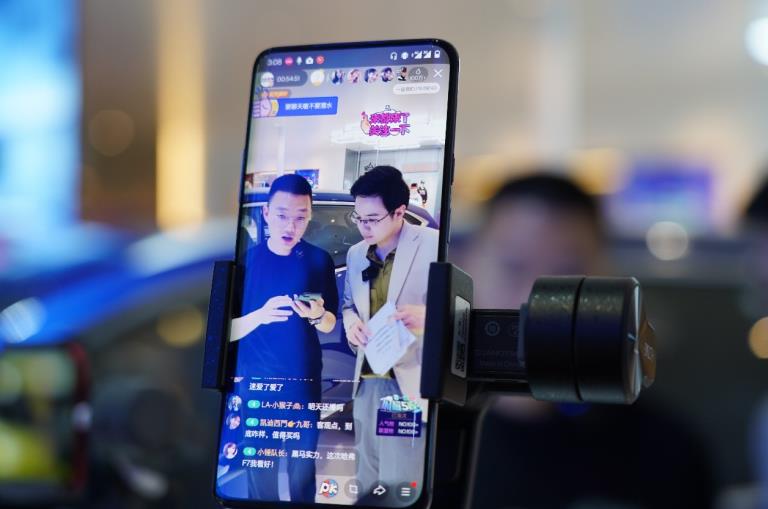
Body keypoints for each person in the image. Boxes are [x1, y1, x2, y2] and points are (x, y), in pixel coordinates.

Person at [454, 173, 714, 509]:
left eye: (567, 272)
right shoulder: (421, 435)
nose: (533, 298)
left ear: (606, 279)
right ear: (464, 267)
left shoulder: (666, 448)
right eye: (513, 266)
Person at [228, 173, 339, 503]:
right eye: (281, 215)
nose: (290, 226)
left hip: (303, 382)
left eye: (300, 217)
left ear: (310, 215)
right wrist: (260, 315)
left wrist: (316, 314)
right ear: (266, 213)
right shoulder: (247, 262)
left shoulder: (318, 260)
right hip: (257, 386)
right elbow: (226, 331)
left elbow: (330, 325)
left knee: (303, 477)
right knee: (260, 480)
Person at [342, 166, 438, 497]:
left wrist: (428, 317)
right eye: (358, 218)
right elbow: (349, 305)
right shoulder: (356, 254)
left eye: (372, 219)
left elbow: (465, 309)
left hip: (405, 380)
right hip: (366, 380)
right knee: (366, 476)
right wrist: (351, 324)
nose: (363, 227)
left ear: (399, 212)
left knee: (398, 481)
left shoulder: (433, 245)